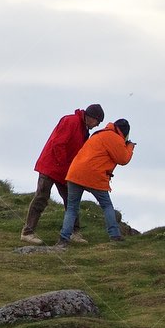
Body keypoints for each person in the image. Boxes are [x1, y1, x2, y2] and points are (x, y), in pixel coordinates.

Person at [22, 103, 104, 242]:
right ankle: (27, 233)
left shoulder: (83, 129)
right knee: (42, 197)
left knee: (72, 200)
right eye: (97, 121)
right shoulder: (71, 121)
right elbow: (58, 144)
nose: (97, 125)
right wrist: (64, 165)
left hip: (64, 170)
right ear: (91, 117)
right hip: (51, 166)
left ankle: (74, 232)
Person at [58, 118, 135, 246]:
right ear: (125, 132)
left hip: (75, 173)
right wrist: (130, 147)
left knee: (71, 208)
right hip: (93, 175)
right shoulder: (115, 138)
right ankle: (115, 235)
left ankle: (63, 239)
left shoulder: (99, 134)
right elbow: (123, 159)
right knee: (106, 206)